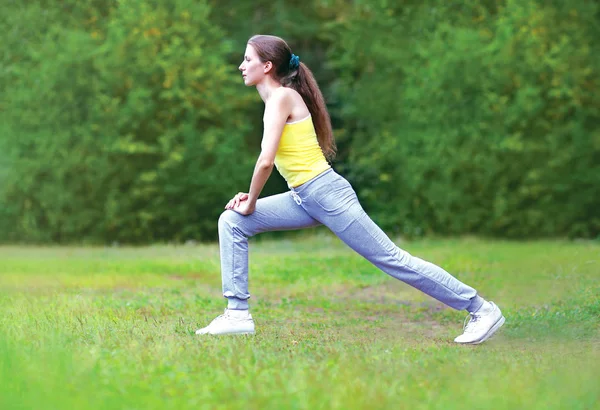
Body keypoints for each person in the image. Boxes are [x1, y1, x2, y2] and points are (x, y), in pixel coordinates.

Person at [195, 34, 505, 344]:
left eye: (247, 59)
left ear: (267, 65)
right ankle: (237, 314)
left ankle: (481, 309)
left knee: (393, 260)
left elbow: (265, 161)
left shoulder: (282, 98)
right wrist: (249, 202)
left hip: (326, 195)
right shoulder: (276, 100)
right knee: (233, 221)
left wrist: (251, 201)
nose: (241, 66)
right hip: (303, 198)